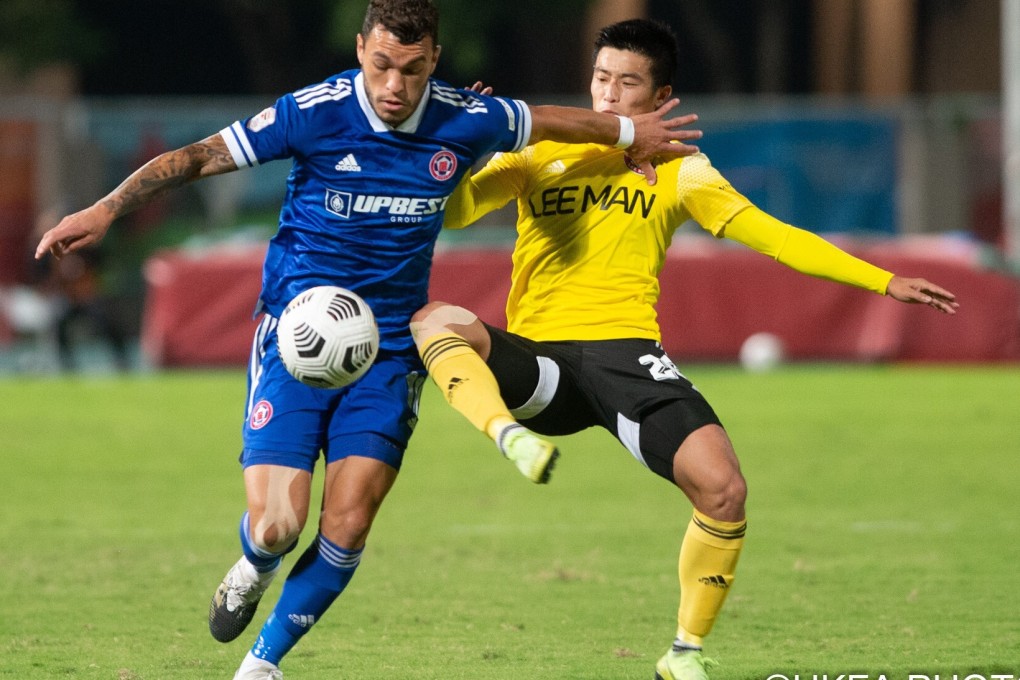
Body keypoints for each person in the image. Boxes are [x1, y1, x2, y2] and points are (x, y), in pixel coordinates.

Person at [34, 3, 703, 678]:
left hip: (388, 353)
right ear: (360, 50)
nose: (394, 85)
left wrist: (627, 133)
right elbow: (198, 155)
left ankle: (261, 666)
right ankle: (255, 563)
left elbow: (553, 118)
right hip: (299, 340)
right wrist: (106, 207)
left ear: (434, 62)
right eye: (382, 64)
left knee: (348, 525)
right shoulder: (313, 112)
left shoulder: (465, 118)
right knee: (278, 527)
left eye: (413, 70)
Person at [409, 18, 959, 680]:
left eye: (627, 82)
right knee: (438, 317)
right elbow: (452, 211)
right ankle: (506, 436)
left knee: (724, 489)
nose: (608, 95)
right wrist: (455, 144)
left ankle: (684, 654)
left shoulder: (682, 171)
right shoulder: (539, 149)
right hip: (542, 361)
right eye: (601, 78)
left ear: (660, 95)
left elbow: (776, 236)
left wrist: (884, 280)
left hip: (627, 359)